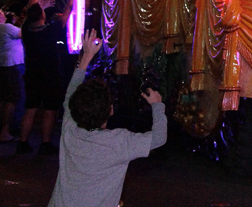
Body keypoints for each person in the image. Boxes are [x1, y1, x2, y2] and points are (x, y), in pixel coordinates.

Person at [48, 29, 166, 207]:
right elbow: (158, 138)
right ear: (110, 110)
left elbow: (69, 95)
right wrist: (157, 105)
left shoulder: (70, 129)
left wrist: (86, 57)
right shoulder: (118, 142)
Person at [18, 2, 72, 155]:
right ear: (43, 15)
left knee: (30, 108)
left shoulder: (27, 31)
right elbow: (66, 15)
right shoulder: (49, 31)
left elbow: (28, 17)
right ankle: (45, 143)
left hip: (32, 74)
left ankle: (22, 142)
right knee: (50, 109)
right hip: (50, 75)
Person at [0, 6, 23, 141]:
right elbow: (24, 33)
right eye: (1, 12)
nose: (4, 13)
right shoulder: (5, 27)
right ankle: (5, 132)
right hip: (10, 66)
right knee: (11, 100)